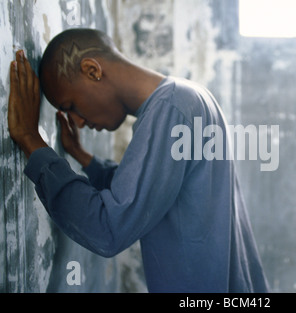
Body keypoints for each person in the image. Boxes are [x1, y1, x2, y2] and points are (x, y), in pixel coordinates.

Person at [7, 28, 270, 293]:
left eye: (71, 106)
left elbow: (107, 228)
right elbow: (153, 189)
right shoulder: (189, 97)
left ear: (92, 70)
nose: (77, 121)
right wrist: (84, 157)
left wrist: (32, 141)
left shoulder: (171, 110)